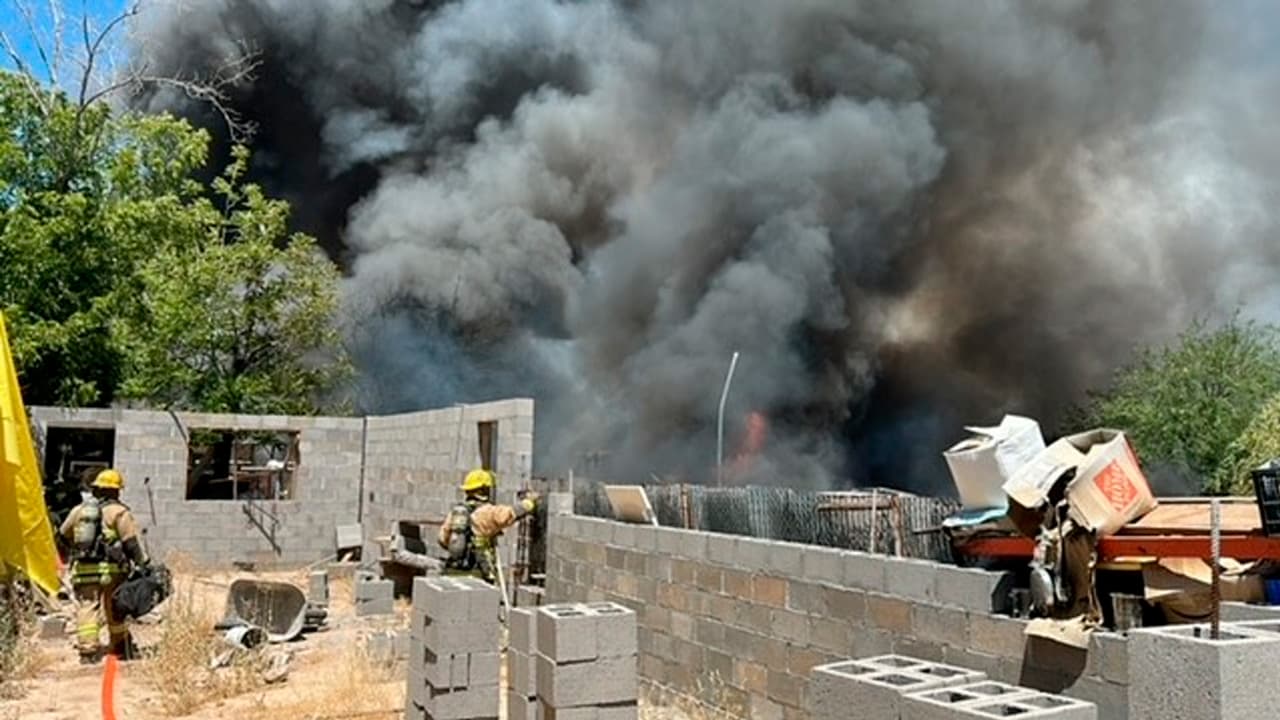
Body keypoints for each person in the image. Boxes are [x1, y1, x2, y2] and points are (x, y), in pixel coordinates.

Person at [58, 468, 149, 662]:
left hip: (84, 570)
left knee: (87, 607)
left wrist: (77, 551)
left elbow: (62, 536)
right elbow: (130, 542)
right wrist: (141, 564)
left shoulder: (79, 511)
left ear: (97, 489)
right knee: (115, 607)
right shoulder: (119, 512)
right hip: (112, 571)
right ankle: (120, 646)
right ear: (115, 491)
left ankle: (88, 652)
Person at [438, 469, 539, 584]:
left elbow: (442, 539)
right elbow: (510, 514)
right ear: (483, 490)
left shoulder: (456, 513)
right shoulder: (488, 512)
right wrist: (529, 503)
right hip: (478, 572)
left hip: (454, 570)